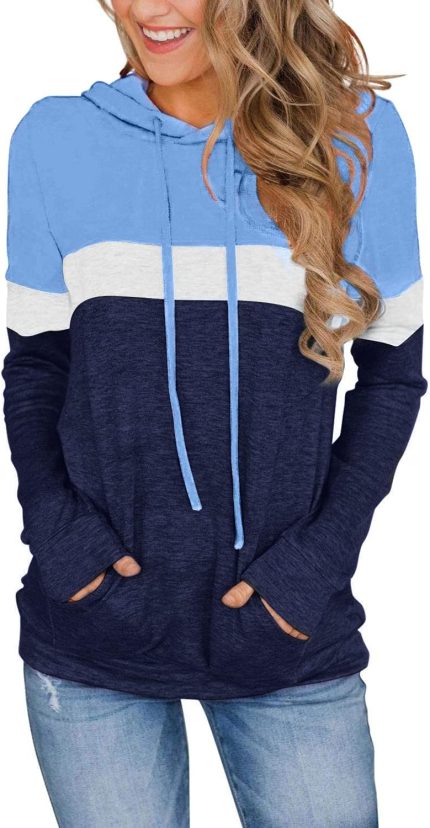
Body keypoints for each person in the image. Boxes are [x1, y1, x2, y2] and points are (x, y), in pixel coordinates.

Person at [2, 1, 426, 825]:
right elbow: (37, 365)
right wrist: (59, 536)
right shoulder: (56, 140)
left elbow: (392, 377)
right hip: (93, 632)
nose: (148, 9)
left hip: (287, 635)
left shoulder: (353, 137)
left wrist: (314, 566)